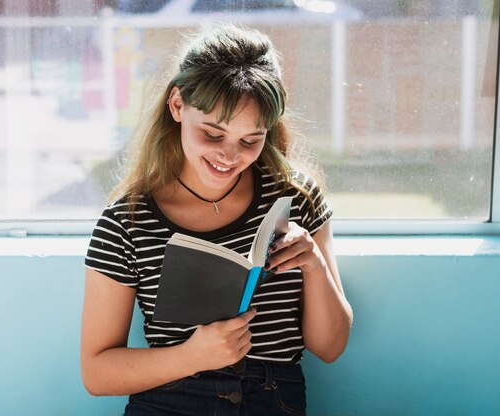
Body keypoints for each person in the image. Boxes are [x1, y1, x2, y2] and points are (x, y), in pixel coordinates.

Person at [81, 24, 353, 415]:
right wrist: (192, 356)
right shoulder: (127, 221)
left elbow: (330, 348)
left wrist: (314, 267)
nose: (229, 156)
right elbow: (96, 373)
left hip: (273, 399)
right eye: (212, 133)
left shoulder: (295, 197)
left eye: (250, 141)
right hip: (170, 401)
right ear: (177, 105)